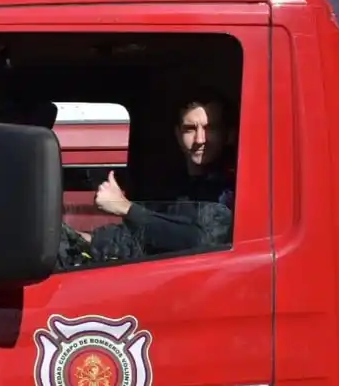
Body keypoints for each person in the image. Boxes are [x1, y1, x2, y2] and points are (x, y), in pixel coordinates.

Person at [82, 93, 236, 261]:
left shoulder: (231, 188)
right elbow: (148, 236)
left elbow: (202, 240)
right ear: (178, 134)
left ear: (229, 135)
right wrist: (88, 240)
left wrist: (125, 207)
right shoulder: (175, 187)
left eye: (210, 128)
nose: (199, 139)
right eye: (190, 129)